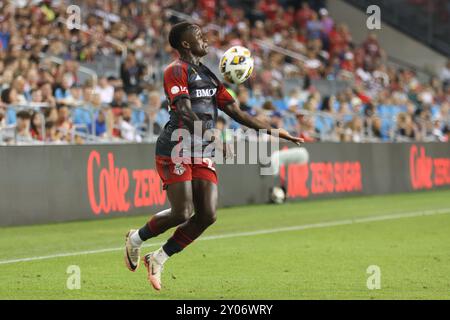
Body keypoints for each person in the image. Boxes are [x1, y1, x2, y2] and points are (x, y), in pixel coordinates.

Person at [123, 22, 303, 291]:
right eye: (198, 36)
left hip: (202, 149)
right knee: (182, 211)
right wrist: (212, 135)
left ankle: (158, 258)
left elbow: (237, 112)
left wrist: (276, 132)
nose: (204, 39)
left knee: (207, 214)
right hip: (177, 147)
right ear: (185, 44)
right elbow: (183, 110)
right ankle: (136, 239)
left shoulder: (208, 75)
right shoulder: (175, 71)